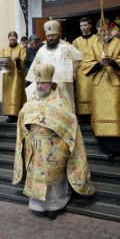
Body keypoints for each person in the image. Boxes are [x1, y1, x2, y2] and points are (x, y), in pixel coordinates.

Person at [13, 63, 95, 220]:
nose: (40, 86)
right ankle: (38, 205)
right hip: (35, 146)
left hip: (54, 146)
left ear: (50, 83)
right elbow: (24, 114)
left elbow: (70, 119)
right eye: (38, 83)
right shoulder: (32, 99)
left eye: (43, 83)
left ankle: (54, 206)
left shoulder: (60, 100)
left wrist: (53, 123)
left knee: (52, 179)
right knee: (37, 176)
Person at [81, 17, 120, 158]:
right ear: (97, 31)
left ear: (110, 29)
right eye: (100, 31)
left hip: (115, 85)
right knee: (100, 113)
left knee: (115, 113)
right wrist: (99, 63)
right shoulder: (94, 46)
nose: (103, 33)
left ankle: (117, 148)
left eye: (105, 30)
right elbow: (86, 64)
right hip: (99, 86)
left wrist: (113, 62)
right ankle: (104, 146)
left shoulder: (118, 43)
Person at [26, 19, 83, 112]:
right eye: (48, 36)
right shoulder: (42, 50)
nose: (50, 38)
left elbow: (79, 57)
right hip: (46, 85)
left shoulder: (66, 47)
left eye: (53, 35)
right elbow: (34, 67)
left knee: (65, 107)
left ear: (58, 35)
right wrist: (35, 82)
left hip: (63, 83)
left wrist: (72, 70)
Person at [72, 17, 99, 123]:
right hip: (81, 71)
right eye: (81, 26)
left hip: (94, 69)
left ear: (90, 26)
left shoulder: (97, 39)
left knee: (94, 91)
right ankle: (83, 115)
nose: (83, 27)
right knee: (82, 92)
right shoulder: (76, 41)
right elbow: (73, 59)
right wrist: (73, 71)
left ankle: (94, 112)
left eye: (85, 25)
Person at [0, 31, 26, 122]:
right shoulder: (4, 49)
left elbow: (24, 60)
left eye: (14, 39)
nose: (12, 41)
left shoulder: (21, 48)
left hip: (18, 76)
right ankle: (9, 115)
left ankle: (17, 115)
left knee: (16, 95)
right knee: (7, 95)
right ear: (8, 39)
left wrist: (18, 59)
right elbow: (0, 61)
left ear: (17, 39)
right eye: (10, 39)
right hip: (7, 76)